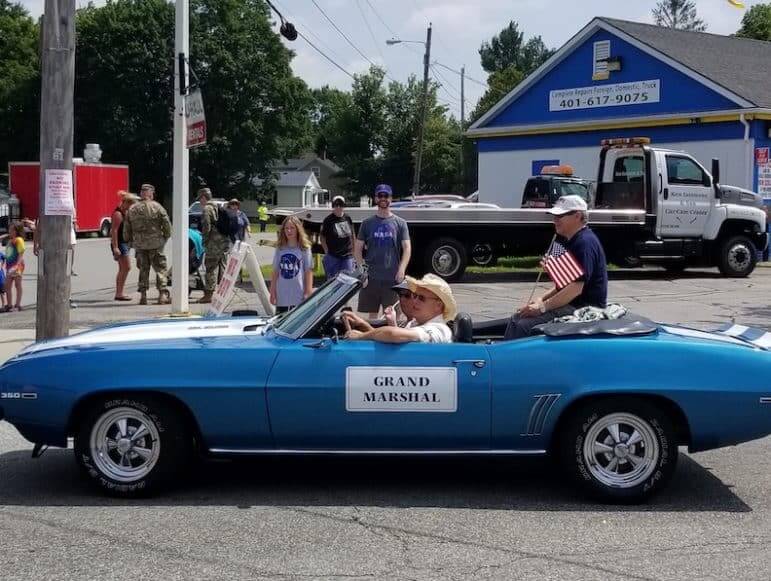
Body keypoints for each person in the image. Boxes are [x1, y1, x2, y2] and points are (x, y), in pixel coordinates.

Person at [504, 195, 608, 340]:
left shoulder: (585, 243)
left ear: (577, 216)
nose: (555, 220)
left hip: (584, 308)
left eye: (560, 215)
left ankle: (515, 360)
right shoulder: (573, 240)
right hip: (572, 303)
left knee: (524, 325)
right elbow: (565, 284)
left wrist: (542, 307)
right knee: (517, 318)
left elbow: (575, 288)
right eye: (554, 215)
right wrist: (540, 299)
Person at [345, 274, 455, 344]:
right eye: (415, 296)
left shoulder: (439, 329)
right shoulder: (416, 323)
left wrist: (360, 336)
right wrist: (362, 324)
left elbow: (394, 335)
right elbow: (386, 337)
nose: (414, 301)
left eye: (421, 298)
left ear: (438, 305)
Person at [354, 184, 411, 318]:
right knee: (372, 317)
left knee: (394, 316)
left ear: (391, 199)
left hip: (392, 277)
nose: (383, 198)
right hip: (371, 278)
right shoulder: (367, 223)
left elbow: (407, 248)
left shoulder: (400, 223)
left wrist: (402, 269)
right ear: (375, 198)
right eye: (380, 195)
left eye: (386, 196)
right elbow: (357, 249)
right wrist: (362, 271)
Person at [123, 183, 172, 305]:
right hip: (156, 244)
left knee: (143, 270)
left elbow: (126, 229)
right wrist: (164, 238)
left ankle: (143, 296)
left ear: (141, 194)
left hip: (140, 245)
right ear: (151, 194)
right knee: (160, 269)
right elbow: (167, 226)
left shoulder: (132, 209)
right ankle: (162, 295)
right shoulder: (158, 207)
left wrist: (130, 241)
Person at [269, 215, 313, 313]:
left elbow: (308, 271)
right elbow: (275, 272)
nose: (289, 231)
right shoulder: (280, 248)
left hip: (298, 295)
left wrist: (308, 291)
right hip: (282, 295)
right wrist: (272, 292)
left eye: (292, 228)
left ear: (298, 229)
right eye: (286, 228)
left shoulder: (304, 248)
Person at [342, 277, 417, 332]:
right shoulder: (405, 324)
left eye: (407, 295)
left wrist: (392, 324)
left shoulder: (418, 325)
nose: (402, 299)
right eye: (400, 295)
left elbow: (398, 346)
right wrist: (361, 323)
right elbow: (383, 338)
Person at [196, 187, 230, 303]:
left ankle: (208, 295)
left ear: (204, 197)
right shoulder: (217, 206)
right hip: (224, 242)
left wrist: (204, 241)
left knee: (211, 268)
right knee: (223, 267)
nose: (200, 201)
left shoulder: (207, 209)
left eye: (200, 199)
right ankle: (224, 293)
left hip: (214, 244)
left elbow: (206, 226)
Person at [110, 191, 140, 301]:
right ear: (126, 203)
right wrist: (115, 247)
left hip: (125, 243)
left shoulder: (125, 212)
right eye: (131, 204)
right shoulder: (118, 214)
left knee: (123, 268)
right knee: (126, 267)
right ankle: (119, 293)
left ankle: (120, 292)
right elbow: (113, 231)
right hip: (119, 243)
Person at [321, 195, 355, 280]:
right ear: (333, 206)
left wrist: (354, 251)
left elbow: (352, 235)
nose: (338, 207)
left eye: (341, 204)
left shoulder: (347, 218)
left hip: (347, 256)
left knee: (348, 281)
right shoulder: (328, 220)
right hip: (333, 256)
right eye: (336, 205)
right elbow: (322, 237)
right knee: (333, 281)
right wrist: (326, 251)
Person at [2, 220, 25, 312]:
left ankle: (18, 304)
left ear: (16, 231)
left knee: (17, 285)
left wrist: (17, 266)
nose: (9, 231)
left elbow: (21, 253)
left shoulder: (18, 240)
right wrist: (8, 235)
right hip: (9, 266)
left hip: (17, 265)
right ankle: (9, 304)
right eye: (9, 230)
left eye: (11, 230)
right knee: (7, 286)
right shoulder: (11, 240)